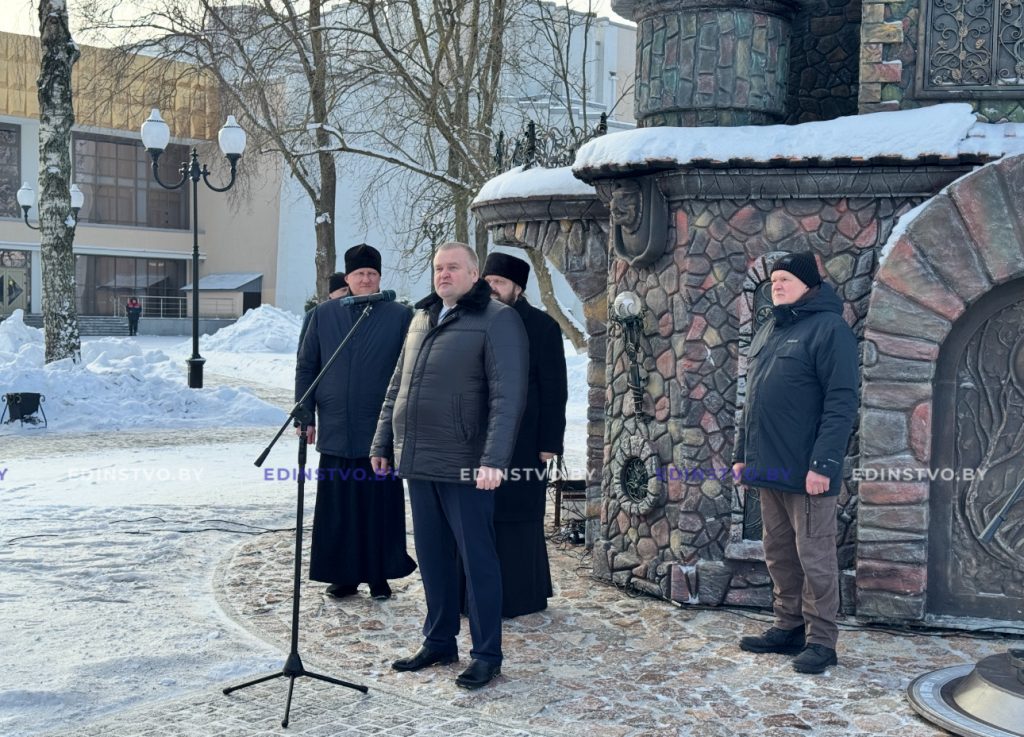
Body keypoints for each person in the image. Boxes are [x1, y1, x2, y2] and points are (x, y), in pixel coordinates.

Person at [371, 241, 527, 690]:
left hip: (466, 463)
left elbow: (508, 396)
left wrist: (493, 460)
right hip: (419, 460)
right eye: (439, 268)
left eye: (453, 267)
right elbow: (397, 385)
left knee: (478, 561)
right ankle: (439, 640)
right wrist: (383, 440)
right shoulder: (422, 318)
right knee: (433, 557)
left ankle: (486, 654)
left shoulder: (498, 319)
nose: (443, 274)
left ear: (474, 274)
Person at [732, 251, 859, 675]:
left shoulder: (830, 330)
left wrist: (823, 464)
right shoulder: (771, 328)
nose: (777, 285)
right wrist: (740, 456)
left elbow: (841, 402)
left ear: (809, 285)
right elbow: (752, 399)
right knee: (778, 554)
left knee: (815, 558)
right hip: (770, 467)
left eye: (785, 279)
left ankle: (821, 640)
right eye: (773, 280)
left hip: (808, 472)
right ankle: (788, 627)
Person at [295, 246, 415, 600]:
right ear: (347, 278)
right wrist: (305, 413)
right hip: (335, 429)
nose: (365, 279)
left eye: (372, 274)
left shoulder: (400, 316)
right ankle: (342, 575)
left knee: (378, 508)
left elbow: (410, 371)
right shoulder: (323, 315)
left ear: (380, 278)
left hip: (380, 432)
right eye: (359, 274)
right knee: (339, 509)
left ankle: (379, 575)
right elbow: (307, 365)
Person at [480, 252, 567, 617]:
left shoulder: (543, 327)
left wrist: (549, 442)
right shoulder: (476, 320)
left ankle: (520, 595)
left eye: (498, 282)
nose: (492, 288)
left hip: (527, 440)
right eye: (487, 282)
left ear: (518, 287)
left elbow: (555, 389)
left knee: (518, 516)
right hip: (482, 439)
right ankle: (478, 594)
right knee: (481, 516)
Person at [297, 272, 348, 353]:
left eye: (349, 290)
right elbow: (304, 350)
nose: (347, 294)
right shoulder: (315, 315)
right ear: (331, 294)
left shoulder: (354, 313)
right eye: (344, 290)